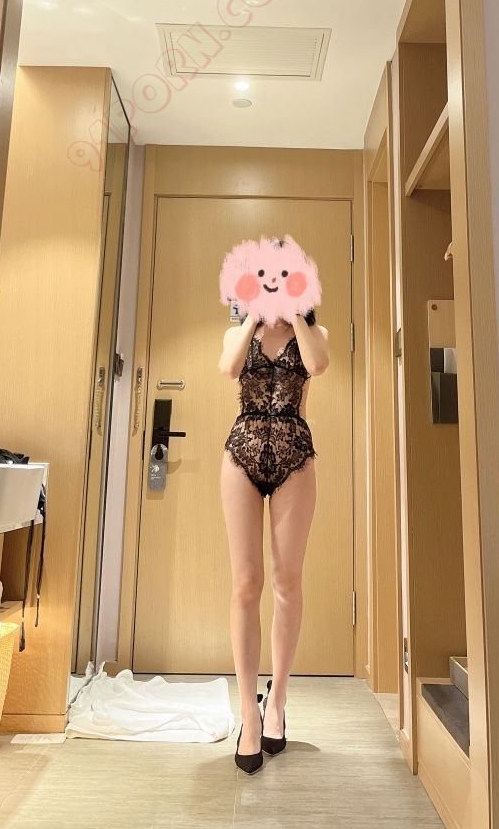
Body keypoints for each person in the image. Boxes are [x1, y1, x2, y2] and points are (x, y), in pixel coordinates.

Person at [218, 306, 329, 774]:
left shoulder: (314, 332)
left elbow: (317, 365)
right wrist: (253, 318)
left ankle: (277, 700)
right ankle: (249, 711)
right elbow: (229, 368)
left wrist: (296, 315)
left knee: (287, 582)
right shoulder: (237, 332)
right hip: (241, 452)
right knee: (246, 584)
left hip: (294, 456)